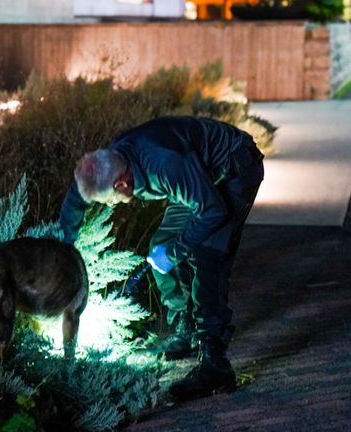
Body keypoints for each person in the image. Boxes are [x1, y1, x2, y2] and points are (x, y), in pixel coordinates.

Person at [59, 116, 264, 400]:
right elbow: (77, 196)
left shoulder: (165, 164)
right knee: (161, 245)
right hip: (197, 179)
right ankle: (187, 325)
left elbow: (213, 210)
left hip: (233, 168)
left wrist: (177, 253)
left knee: (208, 257)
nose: (110, 206)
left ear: (121, 184)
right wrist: (64, 248)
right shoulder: (105, 162)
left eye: (108, 200)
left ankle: (215, 364)